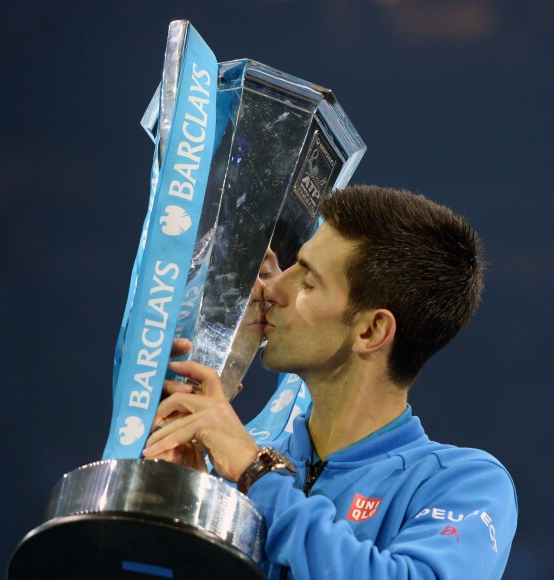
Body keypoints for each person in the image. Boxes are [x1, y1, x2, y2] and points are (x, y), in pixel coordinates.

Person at [143, 184, 518, 579]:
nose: (273, 288)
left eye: (307, 282)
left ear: (372, 331)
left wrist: (256, 473)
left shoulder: (463, 484)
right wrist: (194, 512)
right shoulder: (235, 465)